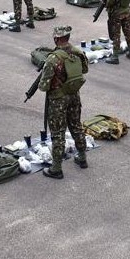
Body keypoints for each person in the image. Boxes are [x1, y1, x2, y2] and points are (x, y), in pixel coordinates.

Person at [39, 26, 89, 178]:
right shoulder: (78, 52)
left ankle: (56, 168)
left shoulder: (53, 58)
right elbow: (84, 70)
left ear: (56, 38)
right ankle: (82, 157)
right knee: (76, 125)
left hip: (58, 99)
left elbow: (43, 86)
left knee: (58, 132)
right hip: (74, 95)